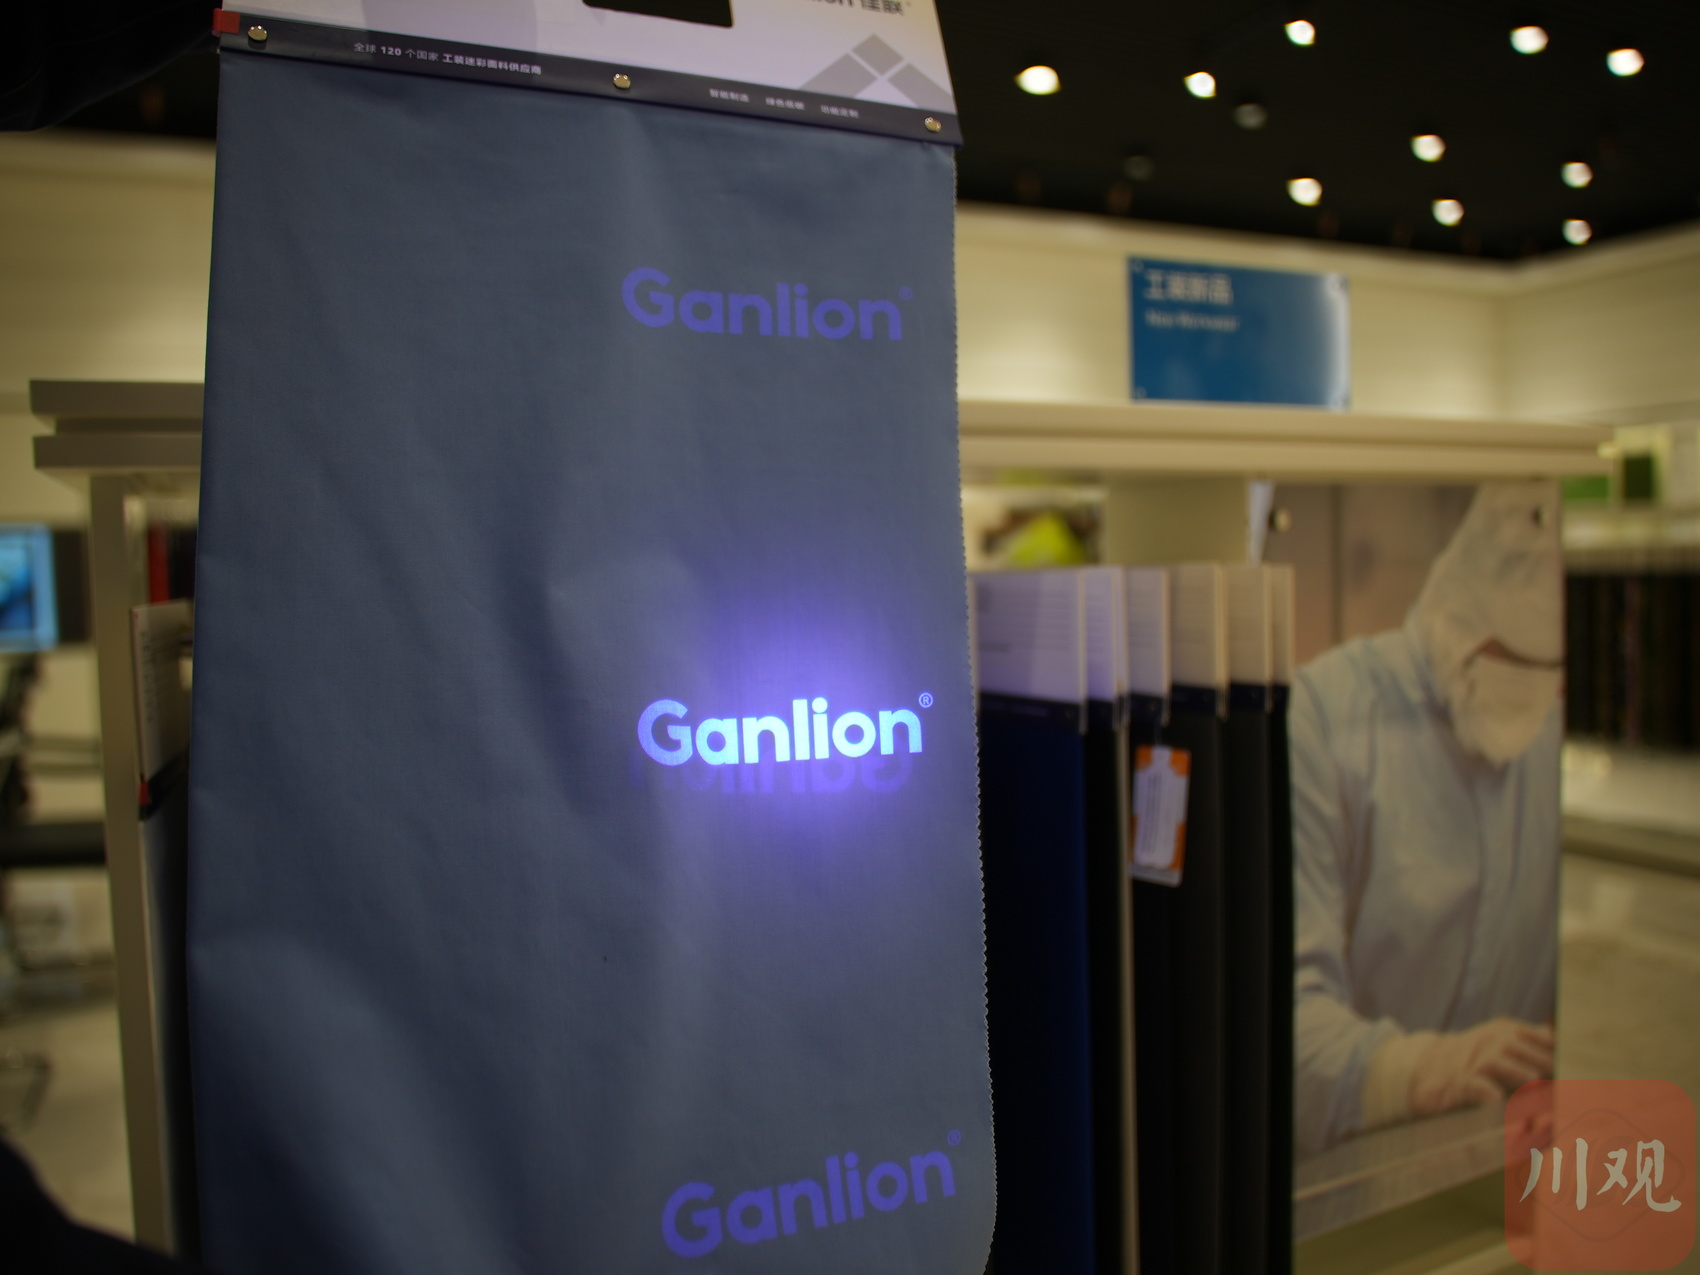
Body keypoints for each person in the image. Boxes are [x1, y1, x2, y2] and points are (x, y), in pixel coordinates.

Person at [1290, 482, 1562, 1154]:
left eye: (1544, 672)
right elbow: (1278, 1016)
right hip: (1346, 1167)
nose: (1522, 689)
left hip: (1507, 1162)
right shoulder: (1324, 717)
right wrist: (1413, 1072)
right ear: (1453, 616)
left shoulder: (1553, 738)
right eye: (1500, 662)